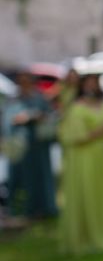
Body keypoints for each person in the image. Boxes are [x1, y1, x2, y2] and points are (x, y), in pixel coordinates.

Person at [58, 73, 103, 254]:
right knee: (88, 193)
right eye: (88, 83)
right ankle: (88, 236)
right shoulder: (77, 109)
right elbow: (76, 138)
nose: (92, 87)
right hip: (85, 159)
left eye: (95, 83)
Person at [2, 71, 57, 219]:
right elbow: (6, 119)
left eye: (26, 80)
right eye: (21, 81)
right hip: (18, 145)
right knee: (16, 178)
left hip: (37, 145)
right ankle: (18, 209)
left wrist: (33, 116)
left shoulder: (39, 98)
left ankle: (42, 208)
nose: (24, 84)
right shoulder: (13, 99)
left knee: (40, 176)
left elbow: (50, 115)